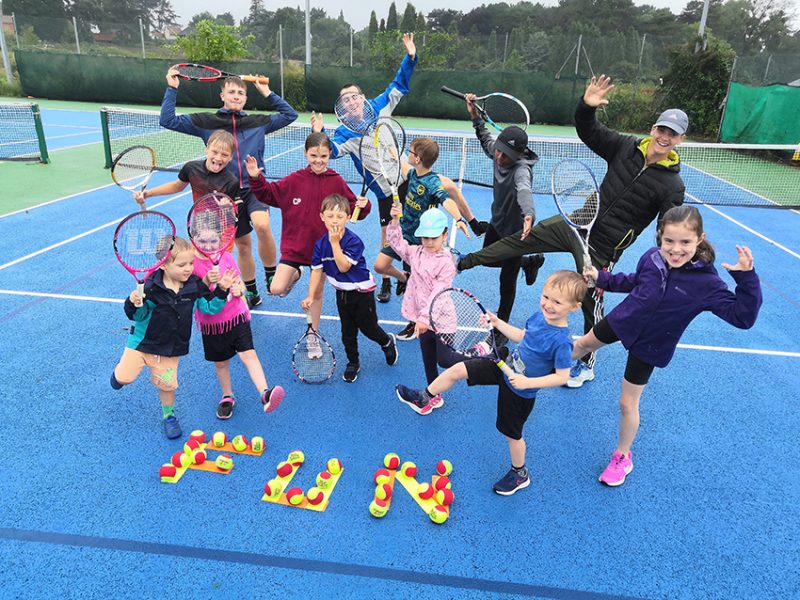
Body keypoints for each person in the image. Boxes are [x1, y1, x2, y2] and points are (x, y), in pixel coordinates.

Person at [457, 74, 687, 387]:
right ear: (653, 129)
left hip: (603, 248)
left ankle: (587, 363)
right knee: (522, 238)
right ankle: (464, 261)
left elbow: (667, 229)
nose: (665, 136)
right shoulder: (625, 147)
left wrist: (671, 260)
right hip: (578, 223)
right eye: (662, 129)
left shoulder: (672, 185)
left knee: (591, 301)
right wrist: (586, 106)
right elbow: (589, 131)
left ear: (679, 140)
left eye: (672, 134)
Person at [571, 205, 761, 486]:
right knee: (581, 346)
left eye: (685, 242)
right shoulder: (651, 258)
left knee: (627, 403)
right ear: (660, 237)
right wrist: (603, 279)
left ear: (700, 239)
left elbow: (742, 317)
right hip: (624, 320)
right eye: (669, 241)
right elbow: (635, 282)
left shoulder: (707, 283)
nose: (676, 249)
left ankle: (622, 457)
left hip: (652, 344)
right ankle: (536, 367)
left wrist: (747, 278)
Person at [310, 33, 482, 304]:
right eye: (346, 100)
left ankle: (471, 224)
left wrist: (411, 56)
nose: (352, 102)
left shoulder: (380, 106)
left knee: (435, 203)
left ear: (362, 98)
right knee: (388, 236)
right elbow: (328, 152)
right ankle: (389, 282)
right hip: (382, 192)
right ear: (341, 108)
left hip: (406, 178)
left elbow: (399, 83)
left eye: (355, 97)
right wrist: (319, 135)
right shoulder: (343, 134)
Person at [395, 271, 587, 495]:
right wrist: (497, 322)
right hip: (505, 366)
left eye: (557, 302)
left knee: (512, 435)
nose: (548, 304)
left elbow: (562, 377)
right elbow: (523, 337)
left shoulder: (562, 341)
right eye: (546, 297)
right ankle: (425, 397)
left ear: (575, 307)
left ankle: (519, 473)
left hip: (520, 391)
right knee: (457, 370)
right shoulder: (538, 318)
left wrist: (527, 383)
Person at [160, 68, 298, 307]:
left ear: (245, 98)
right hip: (226, 195)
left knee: (263, 225)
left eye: (241, 93)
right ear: (222, 96)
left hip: (255, 188)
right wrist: (172, 88)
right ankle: (252, 291)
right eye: (231, 91)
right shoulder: (206, 122)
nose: (236, 95)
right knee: (243, 246)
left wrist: (267, 92)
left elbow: (290, 115)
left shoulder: (258, 122)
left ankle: (271, 274)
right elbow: (168, 120)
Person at [245, 132, 370, 346]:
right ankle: (296, 274)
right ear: (305, 153)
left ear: (330, 154)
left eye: (323, 156)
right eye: (313, 155)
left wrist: (363, 205)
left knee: (317, 293)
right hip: (295, 248)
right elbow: (267, 194)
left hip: (322, 252)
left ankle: (312, 335)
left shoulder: (337, 181)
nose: (318, 161)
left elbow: (353, 208)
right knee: (276, 288)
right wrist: (256, 178)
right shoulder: (294, 180)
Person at [110, 237, 233, 439]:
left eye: (191, 263)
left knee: (166, 385)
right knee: (125, 377)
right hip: (142, 344)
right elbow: (137, 316)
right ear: (164, 265)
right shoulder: (150, 287)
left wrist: (221, 289)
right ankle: (118, 376)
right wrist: (134, 303)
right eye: (182, 264)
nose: (189, 268)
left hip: (170, 348)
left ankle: (169, 416)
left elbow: (209, 307)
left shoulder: (194, 285)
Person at [190, 216, 285, 420]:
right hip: (212, 324)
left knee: (248, 354)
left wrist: (239, 289)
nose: (209, 245)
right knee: (221, 363)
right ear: (193, 238)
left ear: (221, 239)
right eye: (203, 241)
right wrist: (207, 281)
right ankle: (227, 396)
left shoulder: (226, 257)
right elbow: (194, 294)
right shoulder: (192, 265)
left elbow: (240, 283)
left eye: (213, 241)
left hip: (237, 316)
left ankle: (265, 393)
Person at [376, 137, 470, 341]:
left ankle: (413, 324)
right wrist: (394, 154)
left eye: (409, 151)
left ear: (417, 158)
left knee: (419, 292)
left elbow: (446, 200)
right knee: (380, 266)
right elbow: (403, 165)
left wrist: (459, 218)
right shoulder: (413, 173)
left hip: (420, 240)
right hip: (402, 233)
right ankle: (404, 278)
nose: (407, 154)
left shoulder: (433, 182)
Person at [462, 92, 538, 336]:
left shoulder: (521, 170)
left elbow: (524, 191)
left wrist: (529, 213)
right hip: (497, 222)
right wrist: (474, 113)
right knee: (489, 258)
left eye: (506, 155)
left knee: (507, 282)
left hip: (517, 233)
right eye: (499, 151)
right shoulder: (498, 151)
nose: (499, 157)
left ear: (518, 156)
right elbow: (485, 138)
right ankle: (529, 262)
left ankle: (500, 330)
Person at [301, 194, 398, 383]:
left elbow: (343, 267)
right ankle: (353, 362)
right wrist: (310, 296)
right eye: (330, 216)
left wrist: (335, 243)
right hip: (342, 294)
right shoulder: (320, 245)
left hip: (362, 293)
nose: (334, 221)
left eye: (339, 217)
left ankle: (386, 341)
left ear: (348, 217)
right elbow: (316, 271)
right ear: (322, 216)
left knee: (369, 328)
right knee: (347, 332)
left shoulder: (354, 241)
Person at [386, 206, 465, 400]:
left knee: (445, 360)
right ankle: (433, 396)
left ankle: (481, 356)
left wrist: (423, 319)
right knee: (428, 358)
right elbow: (398, 244)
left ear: (445, 235)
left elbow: (438, 294)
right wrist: (395, 221)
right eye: (425, 237)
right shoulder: (416, 252)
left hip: (441, 320)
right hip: (422, 318)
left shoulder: (447, 263)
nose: (428, 242)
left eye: (433, 237)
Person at [133, 131, 254, 258]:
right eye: (215, 152)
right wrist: (148, 194)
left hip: (222, 231)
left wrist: (228, 208)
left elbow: (233, 217)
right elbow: (176, 186)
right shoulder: (191, 168)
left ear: (230, 157)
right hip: (200, 224)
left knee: (219, 265)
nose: (218, 158)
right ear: (207, 149)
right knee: (198, 262)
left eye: (224, 155)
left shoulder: (231, 182)